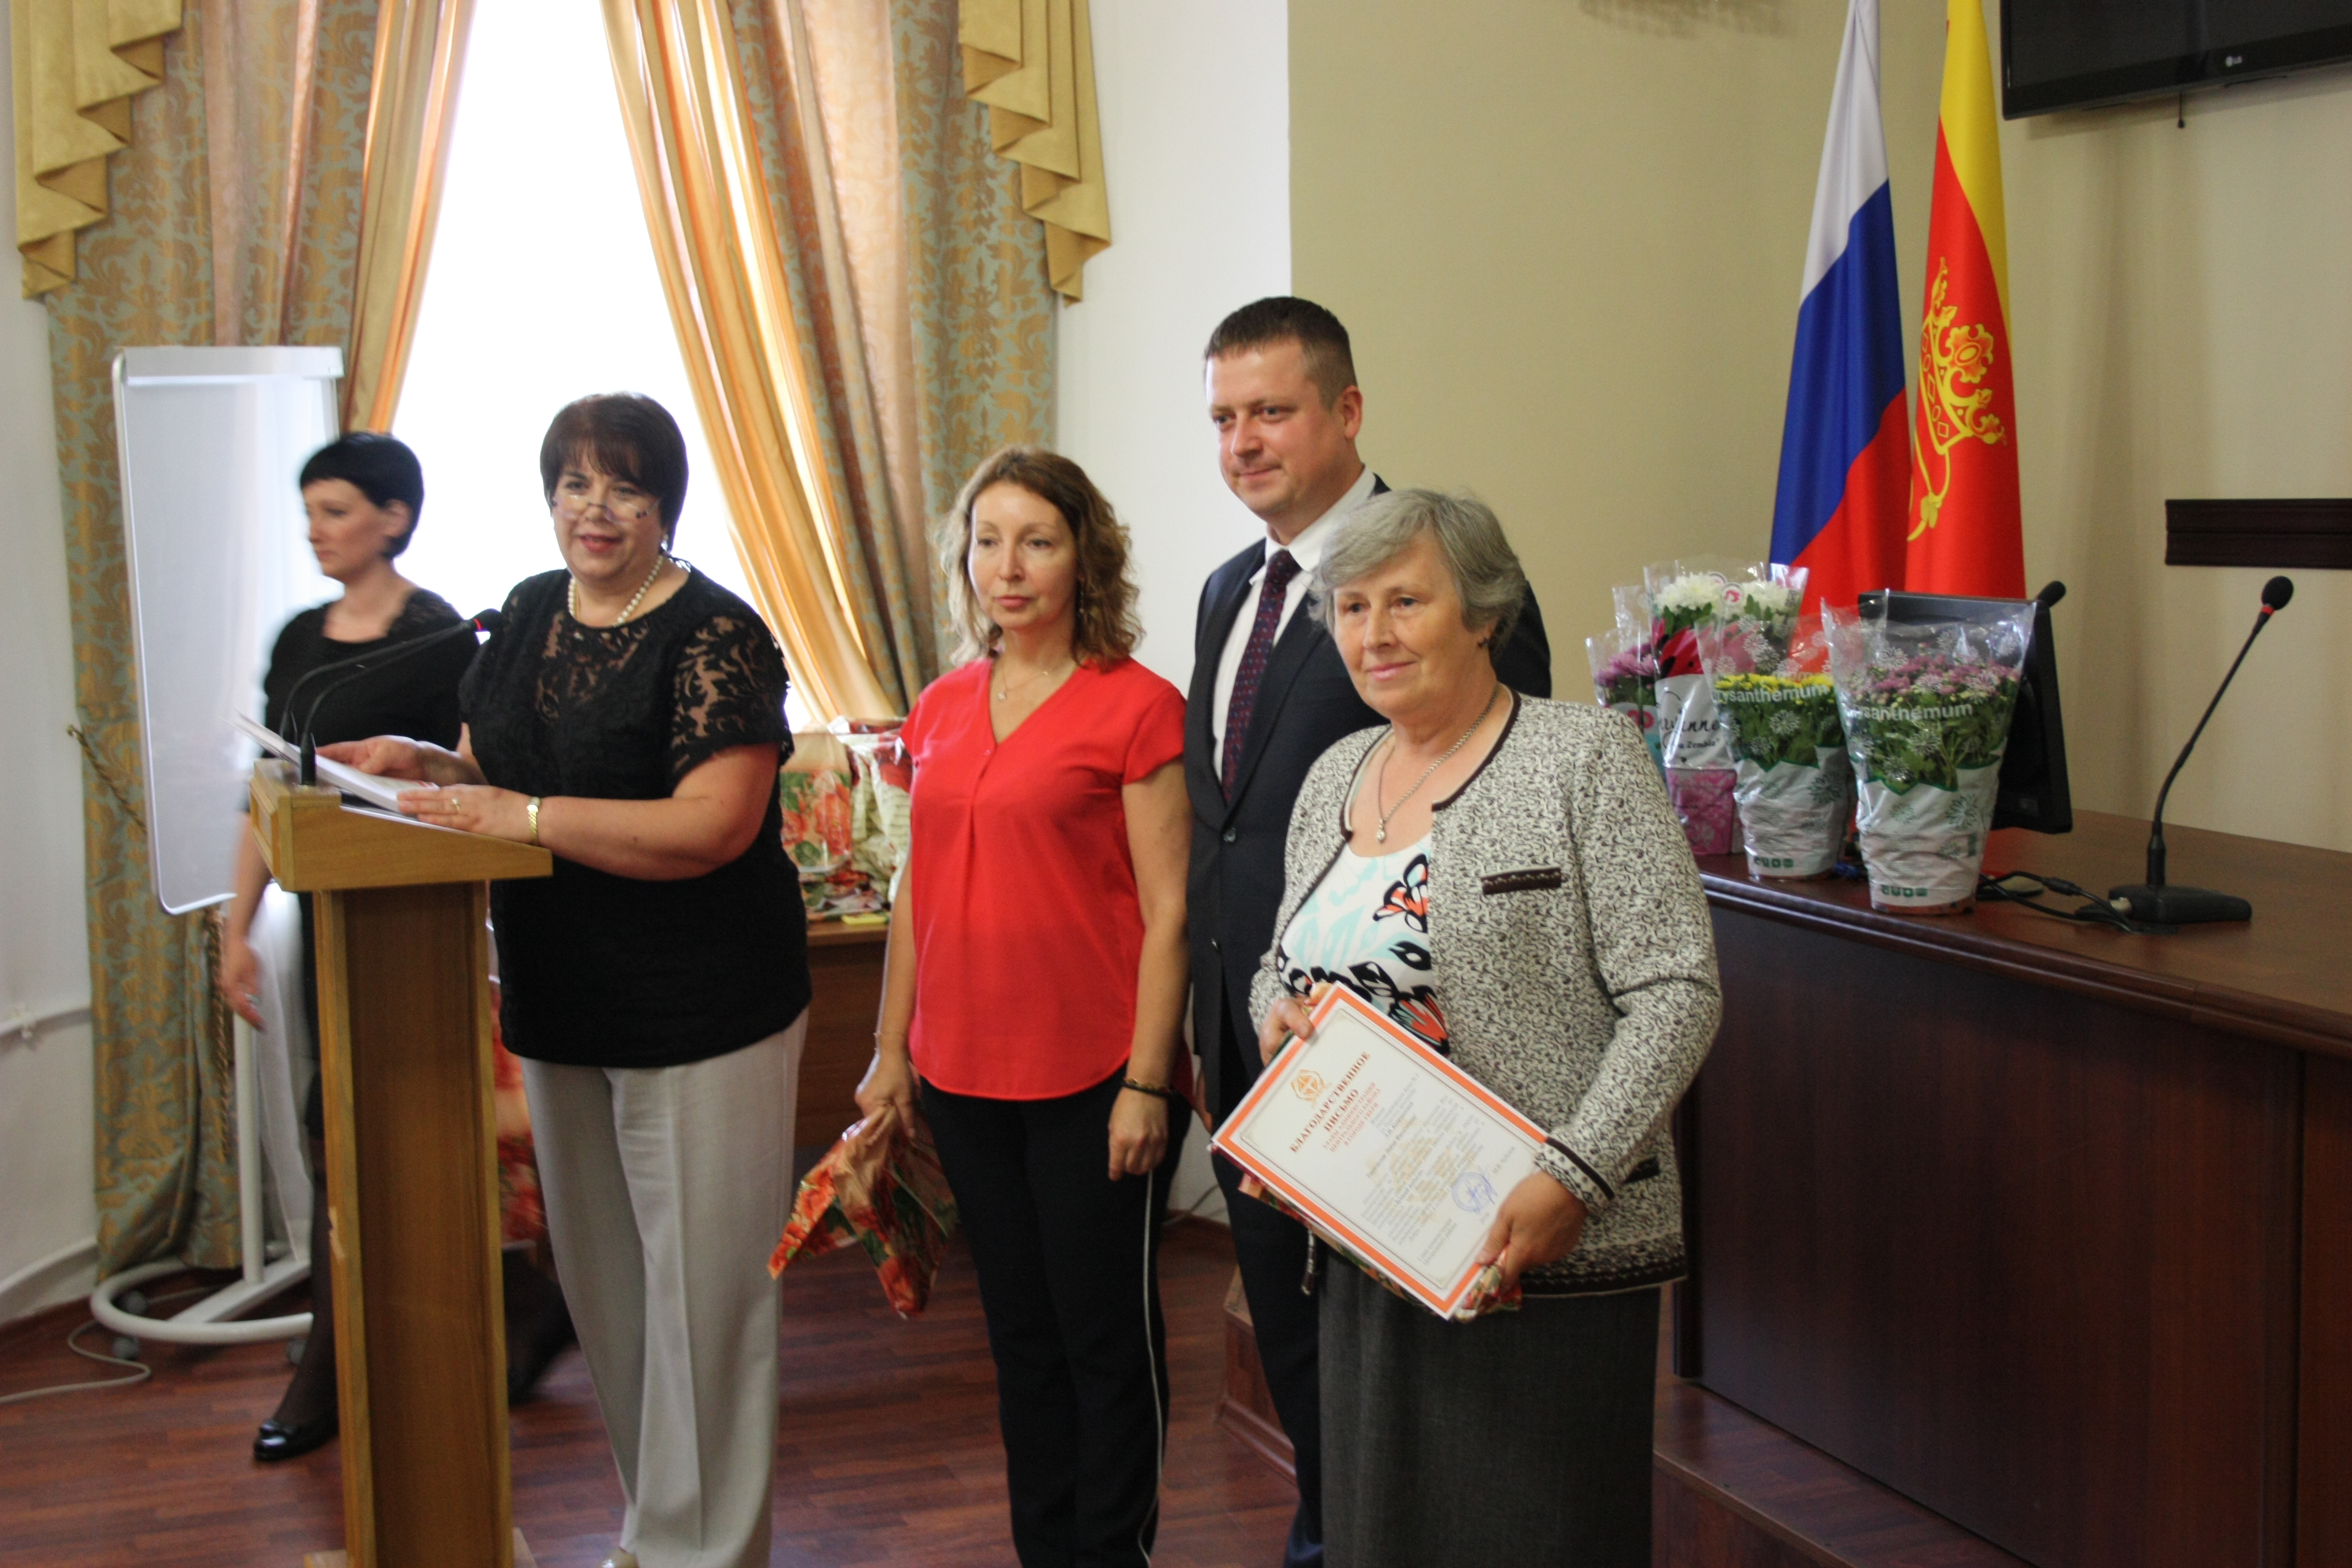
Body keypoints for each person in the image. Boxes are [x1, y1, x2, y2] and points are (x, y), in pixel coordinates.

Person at [325, 394, 808, 1568]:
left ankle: (711, 1554)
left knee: (705, 1311)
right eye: (576, 484)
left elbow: (711, 826)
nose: (597, 509)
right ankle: (655, 1533)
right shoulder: (533, 609)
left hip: (703, 1010)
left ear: (664, 505)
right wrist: (421, 765)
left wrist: (527, 814)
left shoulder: (716, 633)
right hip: (558, 1000)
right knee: (612, 1301)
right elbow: (491, 771)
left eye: (626, 487)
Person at [1251, 489, 1721, 1567]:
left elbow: (1678, 988)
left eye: (1406, 601)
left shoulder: (1582, 757)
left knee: (1534, 1533)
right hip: (1372, 1244)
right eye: (1353, 607)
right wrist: (1274, 1011)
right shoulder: (1334, 776)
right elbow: (1282, 963)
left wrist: (1575, 1175)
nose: (1374, 633)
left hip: (1538, 1247)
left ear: (1483, 613)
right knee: (1383, 1533)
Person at [1185, 296, 1551, 1567]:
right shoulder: (1228, 591)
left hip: (1412, 1065)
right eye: (1224, 417)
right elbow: (1227, 832)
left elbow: (1509, 810)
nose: (1243, 441)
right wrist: (1210, 1018)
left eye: (1272, 411)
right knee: (1299, 1355)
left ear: (1347, 411)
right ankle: (1335, 1539)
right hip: (1263, 1043)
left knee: (1419, 1376)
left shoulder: (1452, 576)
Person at [856, 447, 1191, 1568]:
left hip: (1096, 1077)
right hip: (960, 1073)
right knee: (1022, 1339)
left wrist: (1149, 1080)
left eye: (1037, 541)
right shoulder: (940, 707)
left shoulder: (1138, 707)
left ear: (1083, 557)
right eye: (988, 541)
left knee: (1106, 1341)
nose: (1008, 566)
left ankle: (1114, 1554)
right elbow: (916, 888)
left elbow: (1171, 908)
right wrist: (890, 1052)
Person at [217, 432, 568, 1461]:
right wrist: (235, 927)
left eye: (335, 510)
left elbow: (470, 786)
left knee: (412, 1134)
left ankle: (354, 1364)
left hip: (419, 938)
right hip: (329, 925)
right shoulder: (300, 640)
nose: (316, 531)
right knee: (337, 1129)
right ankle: (499, 1314)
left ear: (394, 518)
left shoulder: (439, 638)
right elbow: (271, 786)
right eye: (309, 512)